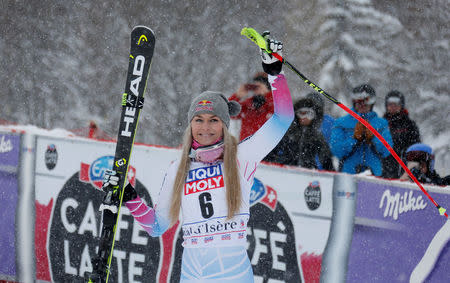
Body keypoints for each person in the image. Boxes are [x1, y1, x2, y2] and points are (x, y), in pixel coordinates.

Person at [103, 34, 293, 282]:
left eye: (214, 120)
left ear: (224, 125)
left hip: (233, 275)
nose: (206, 128)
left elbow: (283, 119)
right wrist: (129, 196)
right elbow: (156, 226)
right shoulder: (179, 169)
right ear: (190, 125)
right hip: (192, 275)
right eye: (199, 120)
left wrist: (275, 74)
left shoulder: (241, 157)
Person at [330, 84, 393, 176]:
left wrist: (373, 139)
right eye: (359, 101)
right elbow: (336, 150)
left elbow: (386, 151)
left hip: (374, 175)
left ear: (372, 102)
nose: (362, 105)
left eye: (366, 101)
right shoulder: (341, 123)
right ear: (354, 101)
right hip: (348, 175)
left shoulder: (381, 124)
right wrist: (354, 139)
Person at [265, 95, 334, 171]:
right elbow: (271, 152)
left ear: (315, 116)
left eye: (309, 114)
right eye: (301, 113)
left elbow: (326, 160)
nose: (304, 118)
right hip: (286, 171)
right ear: (296, 115)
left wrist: (331, 174)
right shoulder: (287, 133)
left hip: (308, 174)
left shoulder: (317, 136)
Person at [382, 90, 421, 178]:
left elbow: (415, 147)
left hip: (403, 168)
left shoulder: (409, 124)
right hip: (383, 168)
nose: (393, 107)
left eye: (396, 104)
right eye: (390, 104)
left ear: (401, 105)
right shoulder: (382, 124)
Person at [229, 72, 274, 141]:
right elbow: (229, 112)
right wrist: (237, 96)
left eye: (260, 85)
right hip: (246, 146)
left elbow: (281, 113)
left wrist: (267, 94)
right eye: (255, 86)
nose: (257, 87)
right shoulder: (248, 105)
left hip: (267, 145)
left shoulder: (273, 103)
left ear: (268, 87)